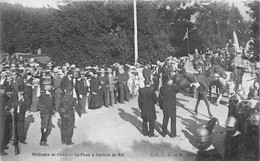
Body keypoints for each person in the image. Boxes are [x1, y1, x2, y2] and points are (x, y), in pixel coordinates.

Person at [37, 80, 54, 146]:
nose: (50, 86)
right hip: (45, 112)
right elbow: (48, 104)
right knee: (45, 126)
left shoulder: (48, 93)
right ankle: (42, 140)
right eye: (49, 85)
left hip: (47, 112)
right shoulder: (44, 94)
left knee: (47, 125)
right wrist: (52, 112)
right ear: (46, 86)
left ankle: (43, 139)